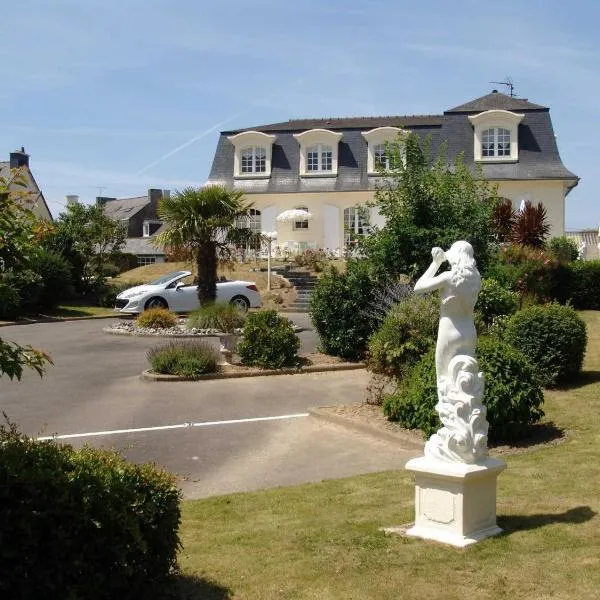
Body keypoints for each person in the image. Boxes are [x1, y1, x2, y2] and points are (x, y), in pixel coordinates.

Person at [414, 241, 481, 386]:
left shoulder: (448, 277)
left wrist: (436, 263)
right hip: (469, 333)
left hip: (450, 332)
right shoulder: (476, 278)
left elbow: (418, 287)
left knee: (444, 382)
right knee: (466, 379)